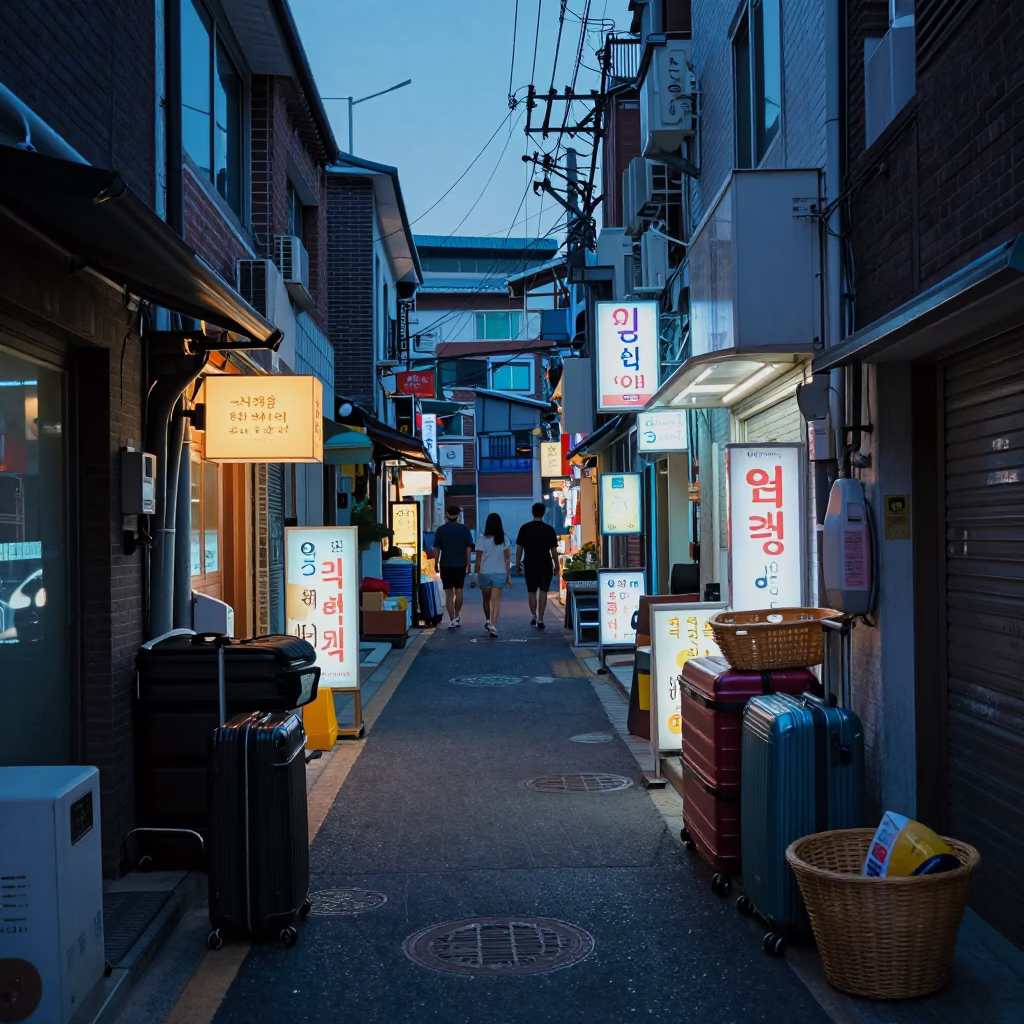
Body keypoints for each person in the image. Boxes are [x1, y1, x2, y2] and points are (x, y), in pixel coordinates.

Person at [515, 502, 559, 630]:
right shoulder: (549, 529)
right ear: (544, 513)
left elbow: (519, 549)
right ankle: (541, 618)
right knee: (543, 591)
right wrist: (557, 565)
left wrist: (518, 563)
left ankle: (534, 616)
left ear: (532, 512)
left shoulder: (525, 528)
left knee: (531, 591)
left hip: (530, 563)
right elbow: (554, 551)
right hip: (545, 563)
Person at [431, 506, 474, 629]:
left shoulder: (441, 530)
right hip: (460, 564)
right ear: (458, 516)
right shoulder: (464, 529)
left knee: (449, 592)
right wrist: (468, 563)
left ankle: (452, 619)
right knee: (459, 590)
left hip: (445, 564)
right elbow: (468, 548)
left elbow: (437, 548)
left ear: (447, 514)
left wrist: (436, 563)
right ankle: (457, 615)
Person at [471, 513, 511, 637]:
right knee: (496, 601)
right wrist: (508, 576)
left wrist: (475, 576)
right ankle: (492, 625)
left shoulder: (481, 539)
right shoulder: (504, 539)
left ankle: (488, 621)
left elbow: (478, 561)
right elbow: (507, 559)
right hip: (500, 573)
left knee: (486, 600)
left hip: (484, 573)